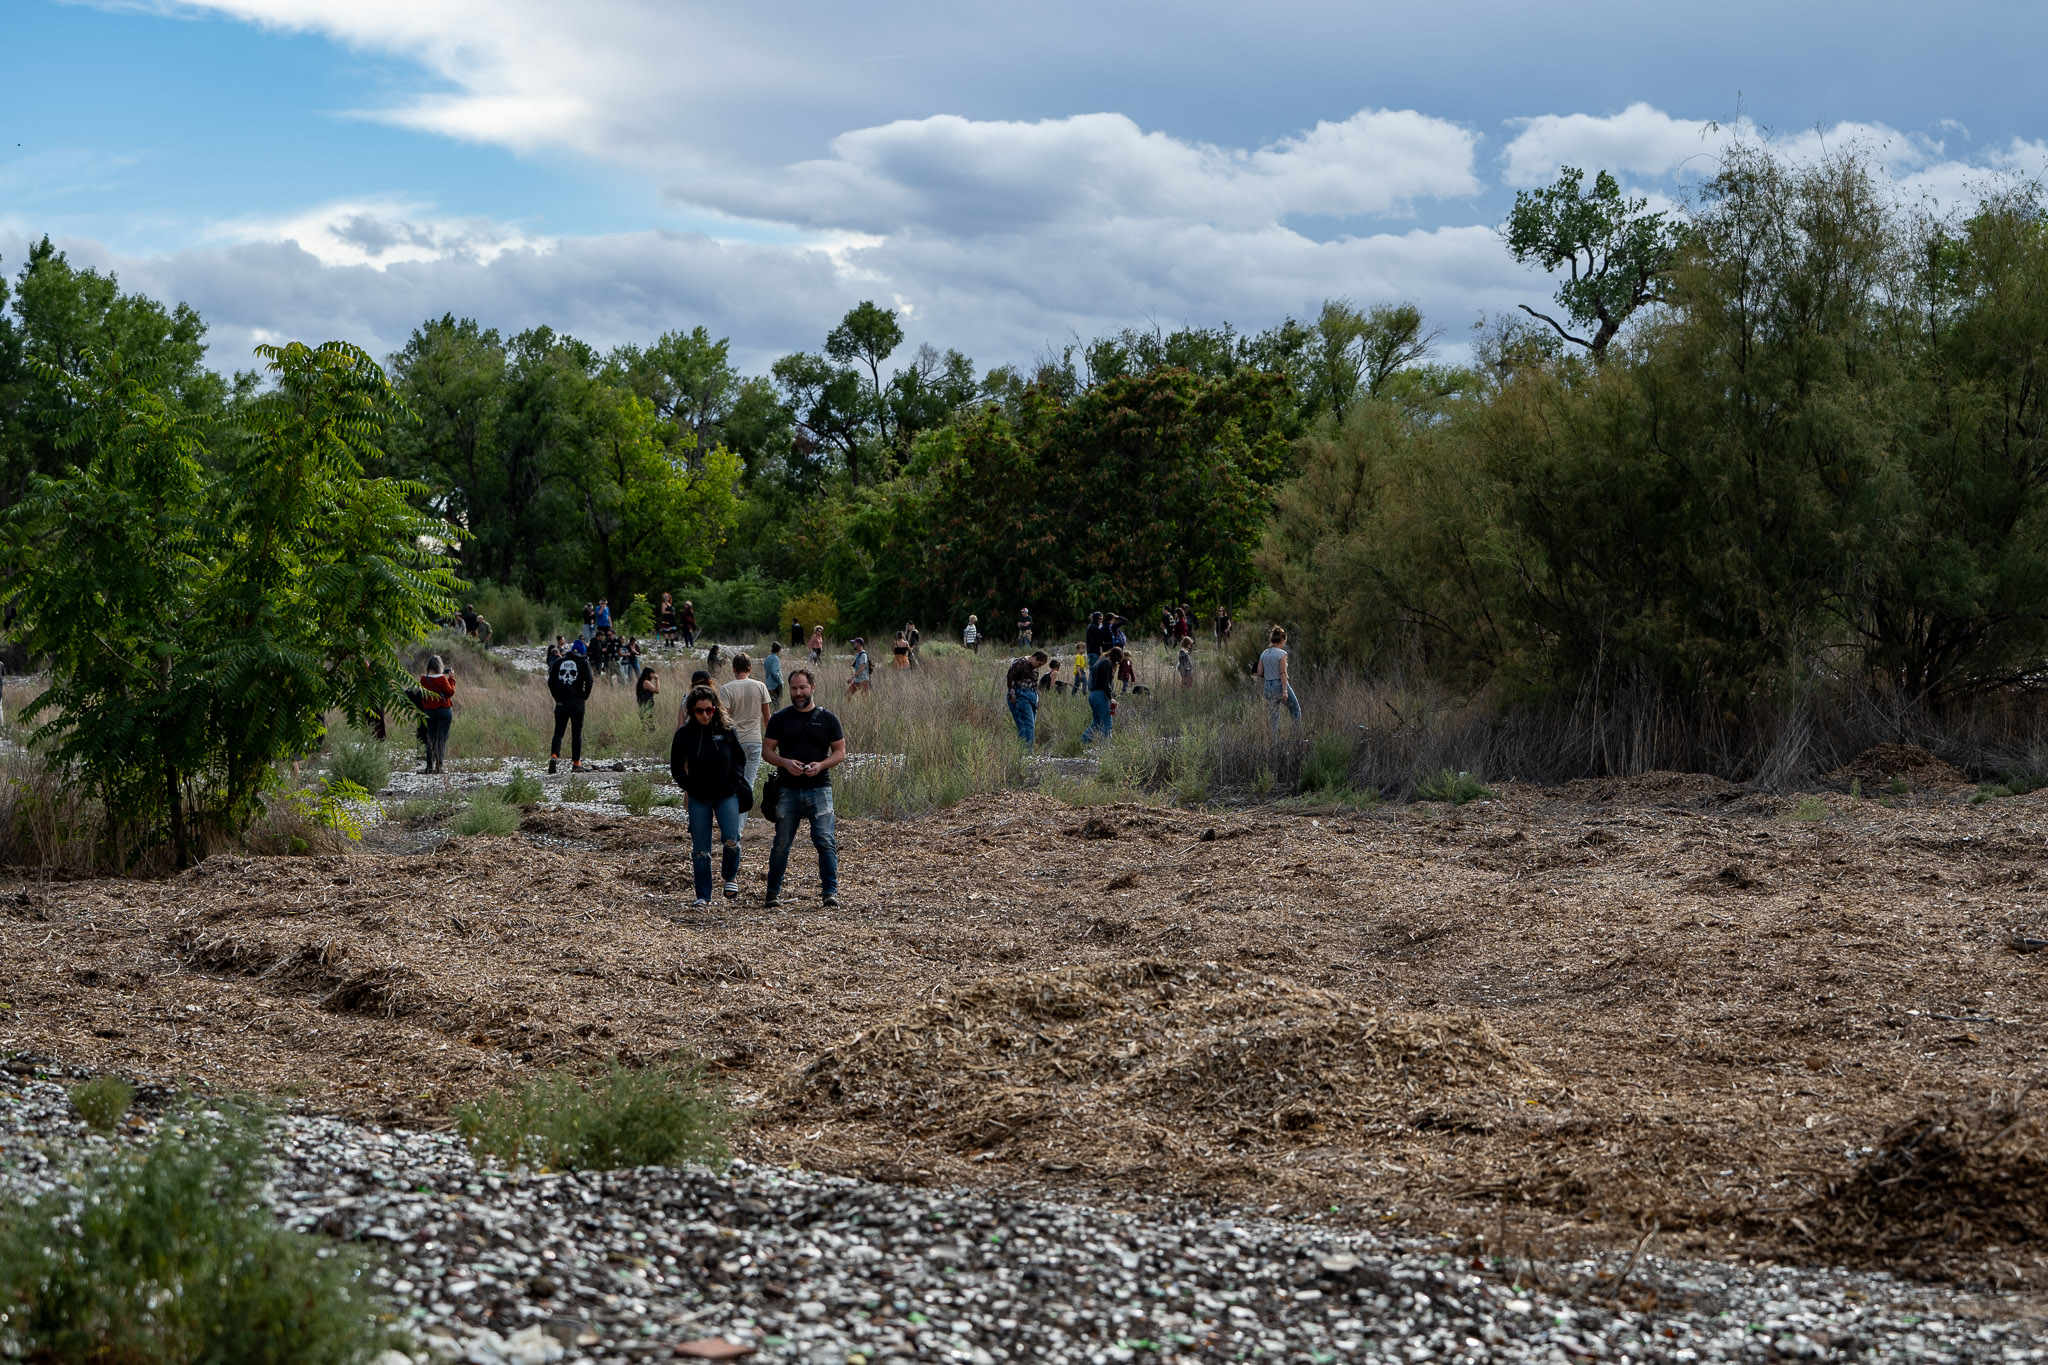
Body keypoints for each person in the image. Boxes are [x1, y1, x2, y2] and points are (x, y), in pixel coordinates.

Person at [763, 667, 846, 908]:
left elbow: (839, 752)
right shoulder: (779, 719)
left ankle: (830, 893)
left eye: (802, 688)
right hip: (787, 790)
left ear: (812, 688)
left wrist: (820, 765)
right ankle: (772, 893)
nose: (798, 693)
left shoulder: (828, 719)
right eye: (794, 689)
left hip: (819, 788)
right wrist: (786, 763)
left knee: (825, 840)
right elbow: (767, 751)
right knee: (781, 843)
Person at [672, 685, 748, 906]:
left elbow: (739, 759)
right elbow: (676, 767)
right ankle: (703, 895)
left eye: (710, 709)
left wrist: (734, 780)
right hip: (699, 798)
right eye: (700, 710)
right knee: (701, 850)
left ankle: (730, 876)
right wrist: (689, 786)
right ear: (691, 711)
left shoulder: (726, 729)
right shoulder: (684, 735)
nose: (705, 714)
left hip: (727, 795)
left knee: (732, 839)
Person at [721, 653, 774, 787]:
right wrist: (770, 743)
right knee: (748, 783)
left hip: (734, 741)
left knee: (732, 782)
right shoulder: (761, 686)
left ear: (733, 669)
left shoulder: (726, 689)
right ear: (750, 668)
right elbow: (767, 718)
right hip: (753, 740)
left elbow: (724, 719)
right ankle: (744, 808)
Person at [547, 641, 594, 773]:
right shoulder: (584, 662)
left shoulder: (558, 662)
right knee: (576, 733)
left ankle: (554, 757)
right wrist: (585, 696)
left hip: (561, 702)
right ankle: (576, 763)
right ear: (582, 652)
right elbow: (590, 681)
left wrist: (557, 697)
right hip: (577, 702)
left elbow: (550, 682)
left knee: (558, 732)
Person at [1260, 625, 1303, 736]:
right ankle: (1298, 739)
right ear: (1282, 640)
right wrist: (1284, 691)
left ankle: (1272, 742)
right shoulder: (1282, 654)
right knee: (1295, 711)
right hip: (1279, 685)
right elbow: (1283, 673)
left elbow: (1259, 672)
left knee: (1274, 717)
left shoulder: (1264, 653)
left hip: (1267, 687)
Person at [417, 654, 455, 773]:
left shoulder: (423, 678)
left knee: (430, 738)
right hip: (444, 711)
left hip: (429, 712)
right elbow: (450, 692)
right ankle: (439, 766)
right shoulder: (442, 678)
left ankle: (429, 767)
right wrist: (451, 678)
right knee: (441, 739)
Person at [1007, 650, 1046, 750]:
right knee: (1026, 724)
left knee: (1030, 725)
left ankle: (1025, 751)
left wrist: (1037, 699)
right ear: (1035, 658)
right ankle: (1027, 752)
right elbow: (1010, 676)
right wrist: (1012, 694)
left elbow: (1034, 684)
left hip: (1032, 696)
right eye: (1039, 663)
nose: (1039, 666)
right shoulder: (1020, 662)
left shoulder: (1035, 670)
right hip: (1021, 695)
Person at [1083, 645, 1120, 742]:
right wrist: (1110, 697)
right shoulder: (1107, 663)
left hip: (1093, 694)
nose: (1117, 663)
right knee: (1107, 723)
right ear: (1115, 656)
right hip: (1101, 695)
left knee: (1097, 723)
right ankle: (1107, 748)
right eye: (1117, 661)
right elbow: (1105, 682)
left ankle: (1082, 742)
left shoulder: (1099, 661)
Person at [763, 640, 785, 705]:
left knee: (770, 705)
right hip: (775, 685)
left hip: (768, 684)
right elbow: (774, 672)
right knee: (777, 704)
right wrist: (780, 682)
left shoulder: (767, 658)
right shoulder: (776, 659)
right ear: (779, 650)